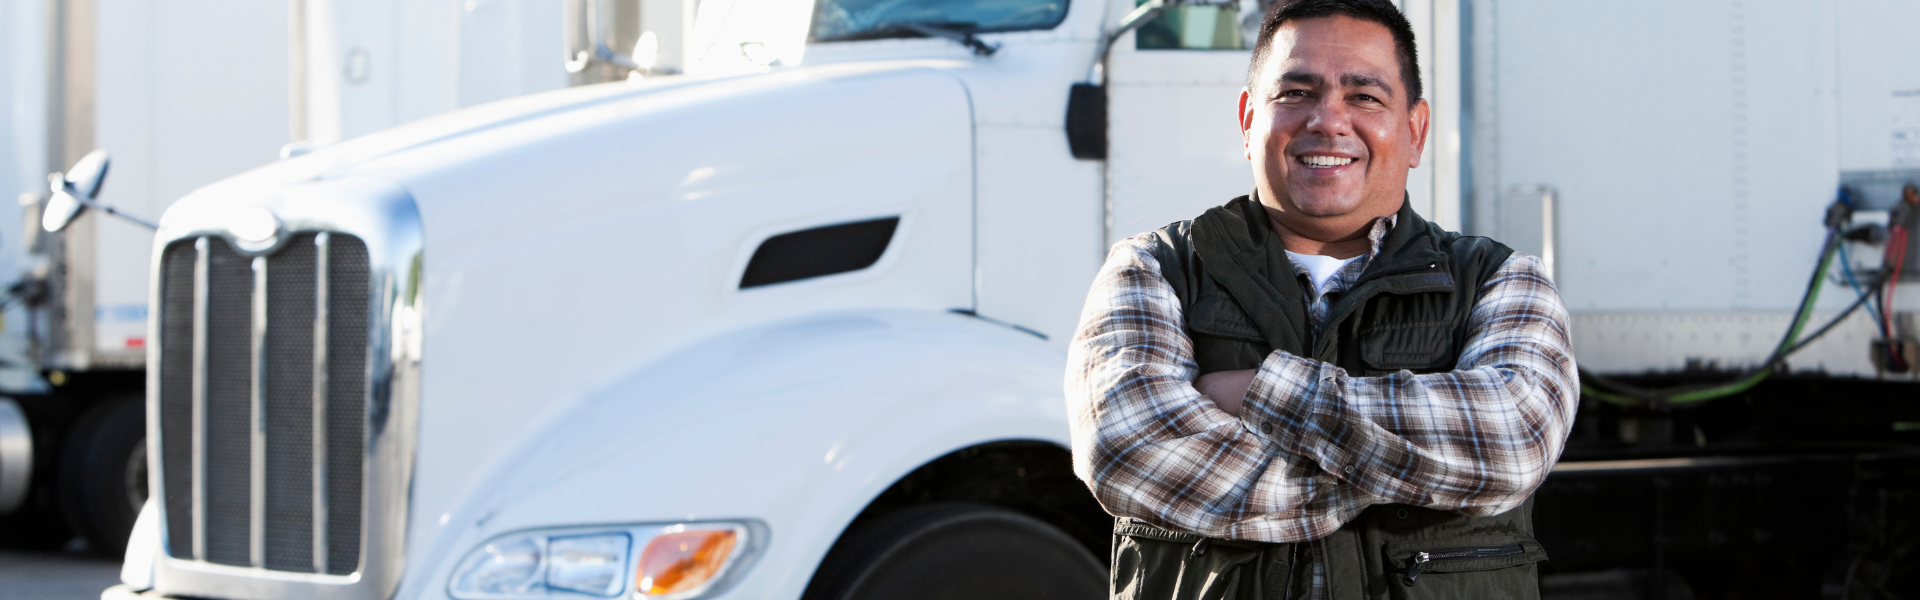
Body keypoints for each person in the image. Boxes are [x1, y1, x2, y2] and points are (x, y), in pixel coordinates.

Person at [1064, 0, 1578, 598]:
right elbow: (1129, 448)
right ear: (1248, 118)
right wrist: (1404, 474)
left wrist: (1261, 392)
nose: (1328, 120)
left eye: (1364, 97)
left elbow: (1512, 440)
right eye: (1297, 93)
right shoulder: (1151, 268)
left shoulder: (1503, 279)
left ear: (1414, 131)